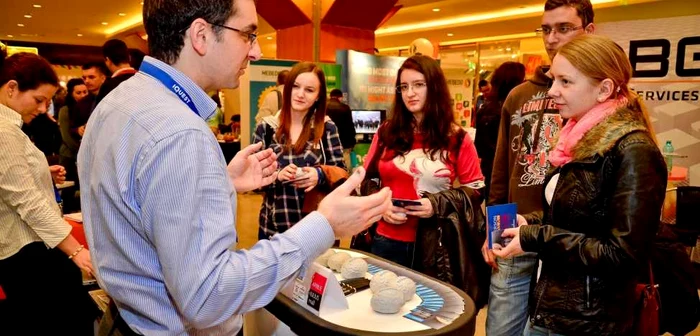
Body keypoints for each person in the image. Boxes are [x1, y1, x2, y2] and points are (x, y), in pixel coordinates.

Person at [77, 1, 391, 334]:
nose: (255, 51)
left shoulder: (116, 103)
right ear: (201, 35)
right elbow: (209, 296)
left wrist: (220, 181)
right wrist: (324, 223)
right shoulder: (180, 133)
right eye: (248, 35)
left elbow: (139, 207)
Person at [493, 34, 667, 336]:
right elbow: (574, 218)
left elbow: (622, 255)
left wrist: (535, 237)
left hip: (589, 320)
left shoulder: (633, 150)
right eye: (553, 79)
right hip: (554, 308)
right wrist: (530, 222)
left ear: (604, 89)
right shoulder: (577, 139)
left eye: (565, 82)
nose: (553, 91)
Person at [482, 1, 595, 335]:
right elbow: (502, 171)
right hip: (514, 231)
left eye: (563, 28)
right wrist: (491, 230)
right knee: (501, 329)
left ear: (588, 31)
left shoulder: (598, 97)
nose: (552, 38)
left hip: (566, 243)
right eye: (546, 29)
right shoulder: (518, 96)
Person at [0, 51, 96, 335]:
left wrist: (43, 173)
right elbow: (26, 201)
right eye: (39, 100)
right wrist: (76, 250)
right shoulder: (4, 130)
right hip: (28, 254)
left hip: (29, 252)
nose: (43, 109)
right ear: (12, 88)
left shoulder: (11, 128)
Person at [363, 54, 485, 268]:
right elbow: (367, 179)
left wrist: (436, 204)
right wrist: (380, 205)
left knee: (426, 302)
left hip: (434, 246)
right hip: (385, 239)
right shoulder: (385, 133)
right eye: (404, 86)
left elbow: (476, 189)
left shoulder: (456, 137)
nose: (410, 93)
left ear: (435, 87)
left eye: (419, 85)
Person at [254, 62, 346, 239]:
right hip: (273, 230)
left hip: (316, 228)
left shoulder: (326, 128)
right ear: (287, 88)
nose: (300, 94)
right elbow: (253, 181)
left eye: (310, 90)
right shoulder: (266, 129)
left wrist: (319, 175)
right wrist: (278, 176)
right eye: (295, 86)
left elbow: (342, 173)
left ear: (318, 96)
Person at [474, 62, 525, 200]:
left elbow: (479, 145)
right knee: (518, 216)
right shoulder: (517, 109)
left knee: (498, 215)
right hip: (514, 171)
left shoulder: (485, 108)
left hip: (491, 171)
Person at [58, 78, 89, 212]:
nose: (83, 95)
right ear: (71, 94)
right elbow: (67, 137)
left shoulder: (88, 108)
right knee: (69, 192)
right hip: (69, 157)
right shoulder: (65, 110)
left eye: (85, 92)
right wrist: (85, 151)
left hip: (82, 156)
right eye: (78, 93)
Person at [95, 39, 137, 105]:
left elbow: (100, 113)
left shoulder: (109, 86)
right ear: (129, 57)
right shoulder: (146, 79)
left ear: (108, 60)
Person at [326, 88, 356, 170]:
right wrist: (353, 141)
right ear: (340, 97)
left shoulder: (323, 107)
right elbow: (350, 126)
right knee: (345, 166)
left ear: (330, 96)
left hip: (326, 143)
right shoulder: (345, 108)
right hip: (344, 143)